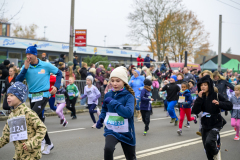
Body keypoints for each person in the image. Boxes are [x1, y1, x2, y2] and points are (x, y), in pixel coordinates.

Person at [16, 44, 62, 155]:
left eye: (30, 54)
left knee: (31, 116)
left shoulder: (46, 65)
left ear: (35, 55)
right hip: (32, 96)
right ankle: (48, 143)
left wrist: (56, 86)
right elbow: (18, 80)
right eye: (26, 54)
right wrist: (25, 69)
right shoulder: (25, 66)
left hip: (44, 95)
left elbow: (59, 73)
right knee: (38, 121)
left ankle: (36, 141)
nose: (28, 56)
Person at [96, 66, 136, 160]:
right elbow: (105, 110)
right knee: (108, 149)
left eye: (118, 81)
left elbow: (128, 113)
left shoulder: (129, 96)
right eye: (112, 80)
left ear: (124, 82)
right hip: (112, 129)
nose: (114, 83)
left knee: (131, 157)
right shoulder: (108, 95)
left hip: (126, 132)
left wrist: (113, 102)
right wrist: (101, 119)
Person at [0, 82, 47, 160]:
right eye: (7, 95)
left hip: (31, 156)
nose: (8, 97)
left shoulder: (28, 112)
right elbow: (6, 136)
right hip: (18, 155)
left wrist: (32, 143)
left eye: (12, 95)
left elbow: (42, 129)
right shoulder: (11, 115)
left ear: (20, 97)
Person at [192, 75, 233, 160]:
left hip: (216, 123)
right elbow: (195, 111)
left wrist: (219, 103)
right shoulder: (200, 97)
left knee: (209, 142)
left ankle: (216, 151)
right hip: (205, 125)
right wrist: (199, 99)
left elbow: (230, 105)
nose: (203, 86)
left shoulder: (216, 95)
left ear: (209, 85)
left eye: (205, 85)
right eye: (201, 85)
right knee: (206, 149)